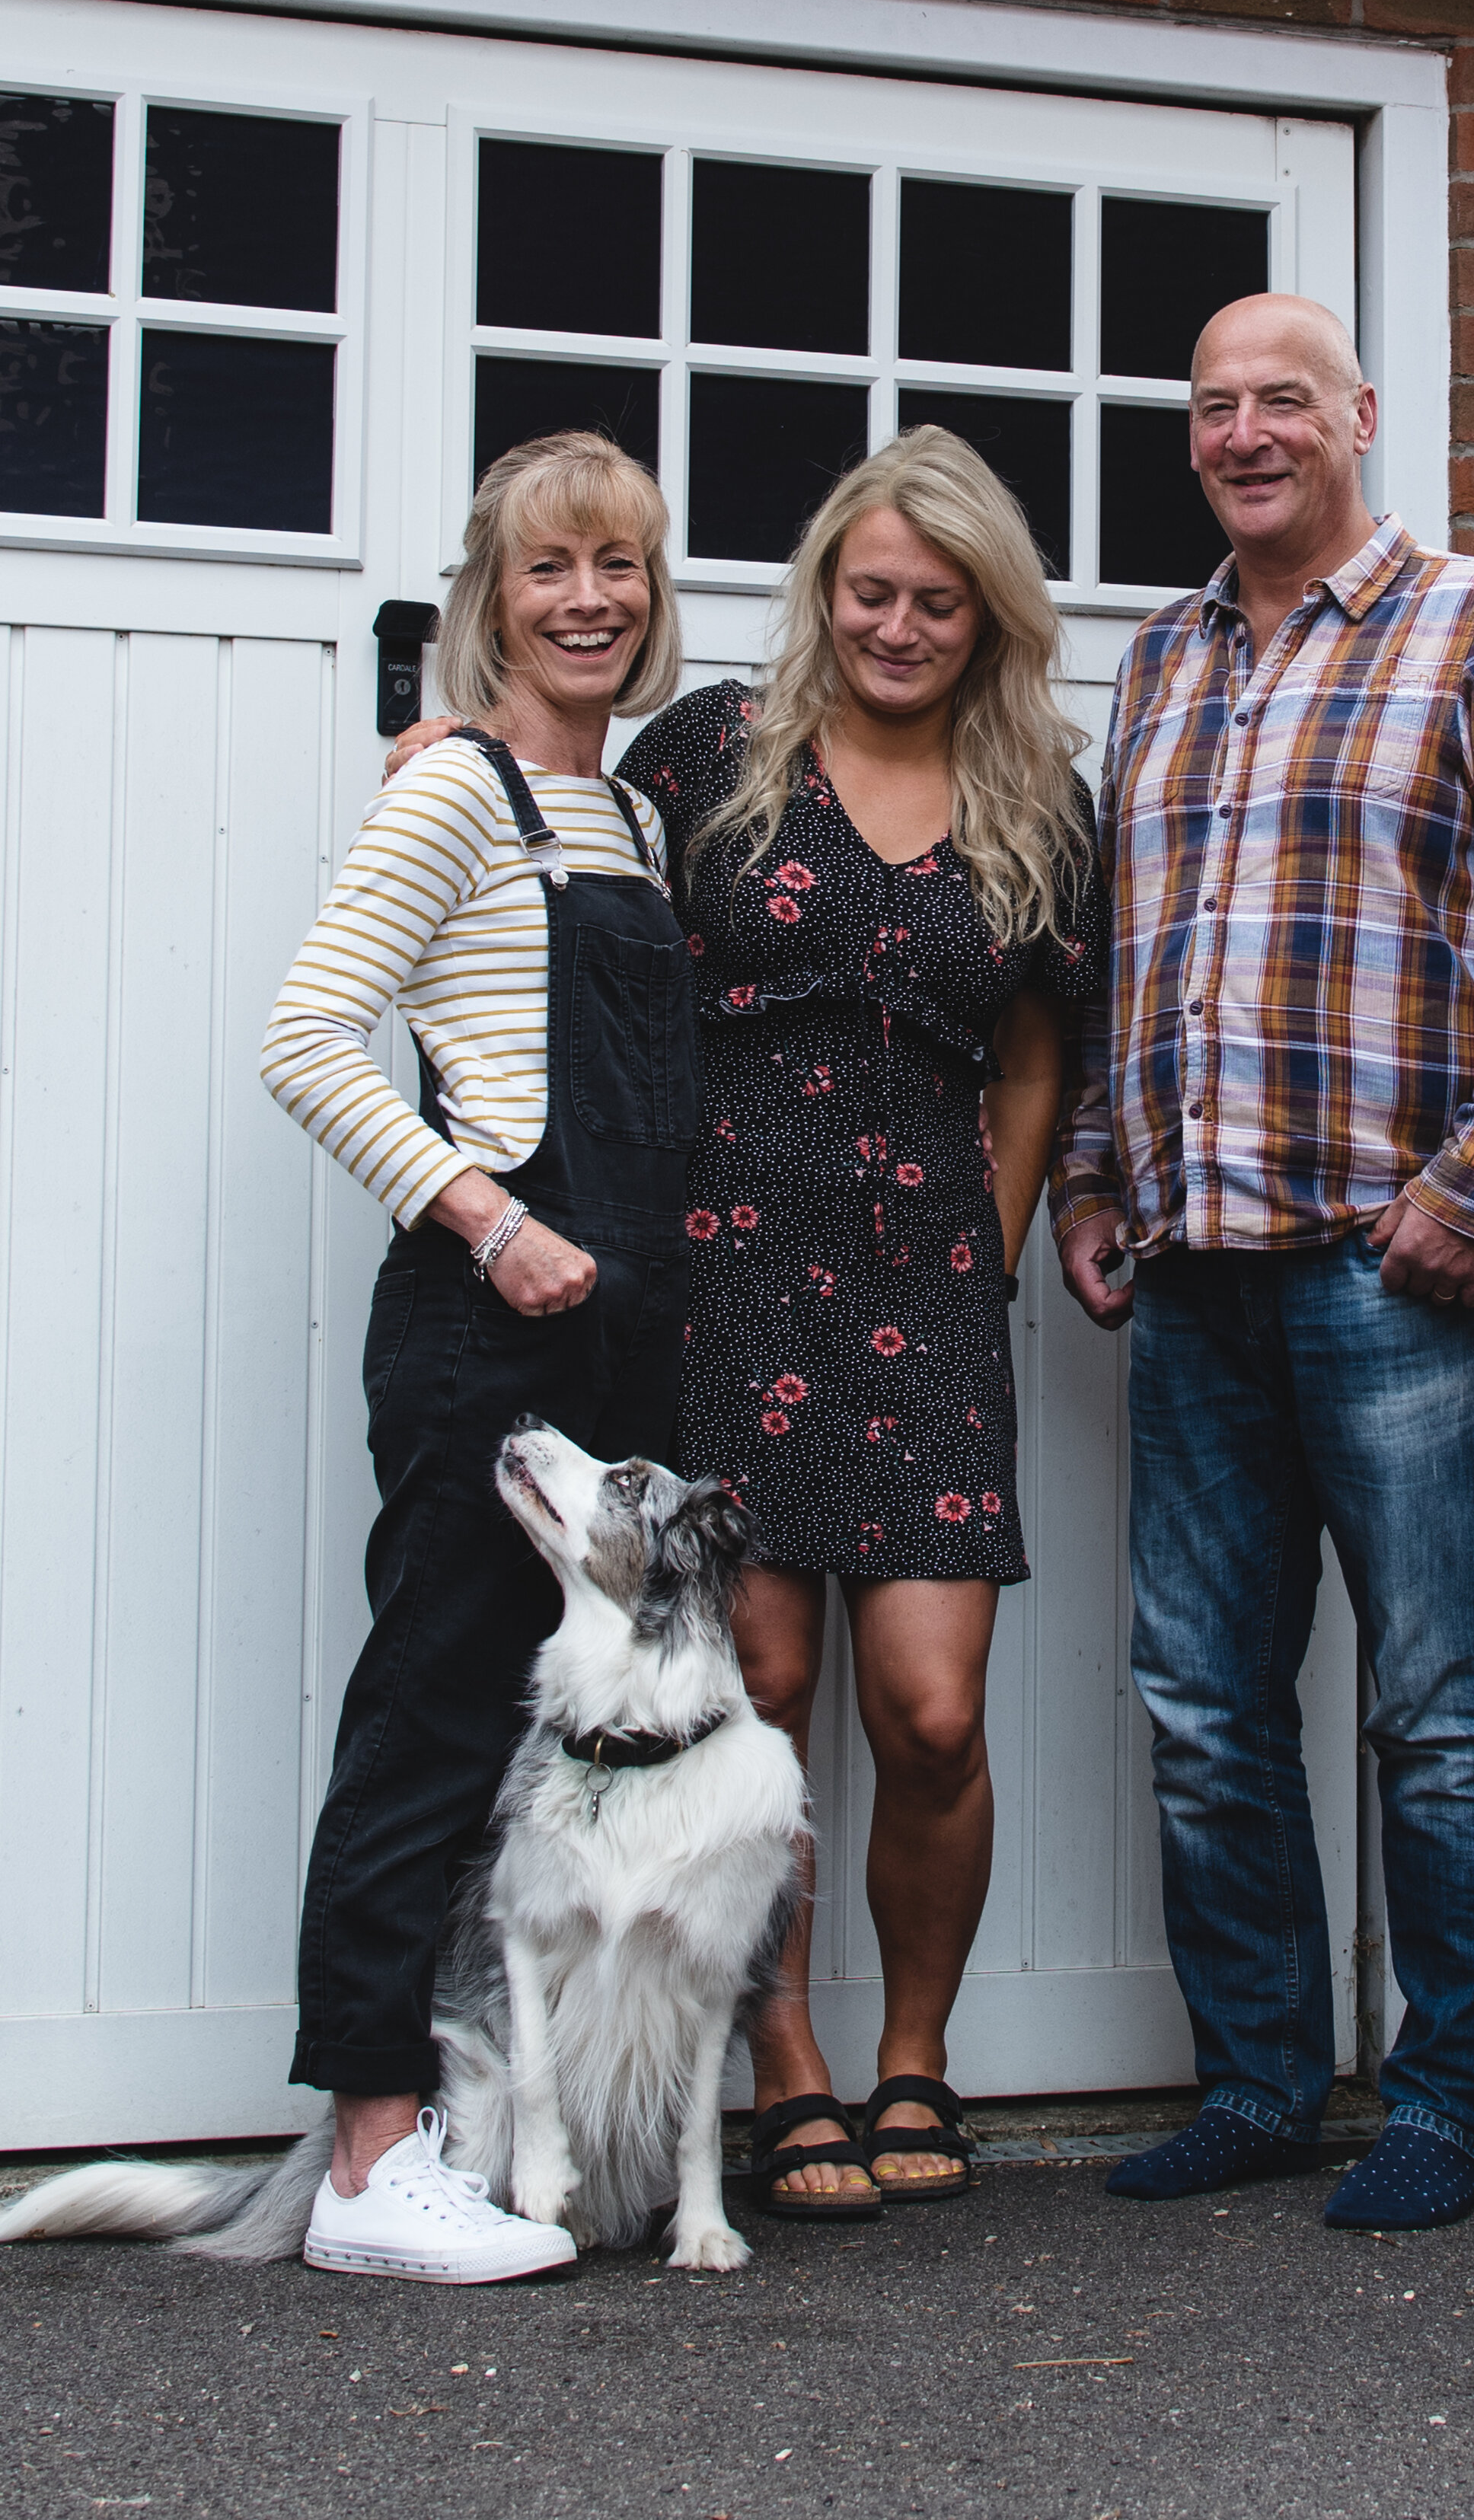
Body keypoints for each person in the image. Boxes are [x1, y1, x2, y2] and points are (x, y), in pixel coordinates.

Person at [1051, 295, 1474, 2233]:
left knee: (1435, 1706)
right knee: (1205, 1706)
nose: (1242, 431)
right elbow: (1121, 953)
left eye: (1278, 397)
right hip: (1194, 1266)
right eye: (1211, 406)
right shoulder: (1158, 661)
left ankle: (1448, 2103)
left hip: (1402, 1273)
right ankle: (1260, 2083)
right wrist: (1084, 1173)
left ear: (1357, 415)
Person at [622, 427, 1108, 2215]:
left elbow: (1045, 1044)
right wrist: (440, 747)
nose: (898, 626)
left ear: (988, 615)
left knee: (923, 1709)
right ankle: (786, 2058)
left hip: (921, 1280)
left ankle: (919, 2051)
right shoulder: (711, 751)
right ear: (829, 585)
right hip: (725, 1259)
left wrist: (979, 1245)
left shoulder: (1038, 795)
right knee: (754, 1692)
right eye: (872, 590)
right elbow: (577, 883)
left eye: (938, 600)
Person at [260, 429, 694, 2282]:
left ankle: (472, 2110)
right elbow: (305, 1037)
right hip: (478, 1327)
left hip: (615, 1337)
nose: (587, 597)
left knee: (554, 1757)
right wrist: (488, 1219)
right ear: (487, 599)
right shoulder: (451, 794)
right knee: (431, 1719)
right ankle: (366, 2156)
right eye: (548, 568)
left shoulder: (639, 818)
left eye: (620, 566)